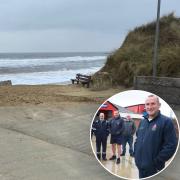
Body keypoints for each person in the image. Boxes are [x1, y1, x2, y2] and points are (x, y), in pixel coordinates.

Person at [134, 94, 177, 178]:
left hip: (154, 169)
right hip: (140, 166)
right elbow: (137, 139)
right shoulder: (143, 122)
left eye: (153, 103)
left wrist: (157, 162)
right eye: (147, 104)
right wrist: (136, 155)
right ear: (145, 107)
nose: (150, 107)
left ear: (159, 105)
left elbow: (171, 146)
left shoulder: (166, 122)